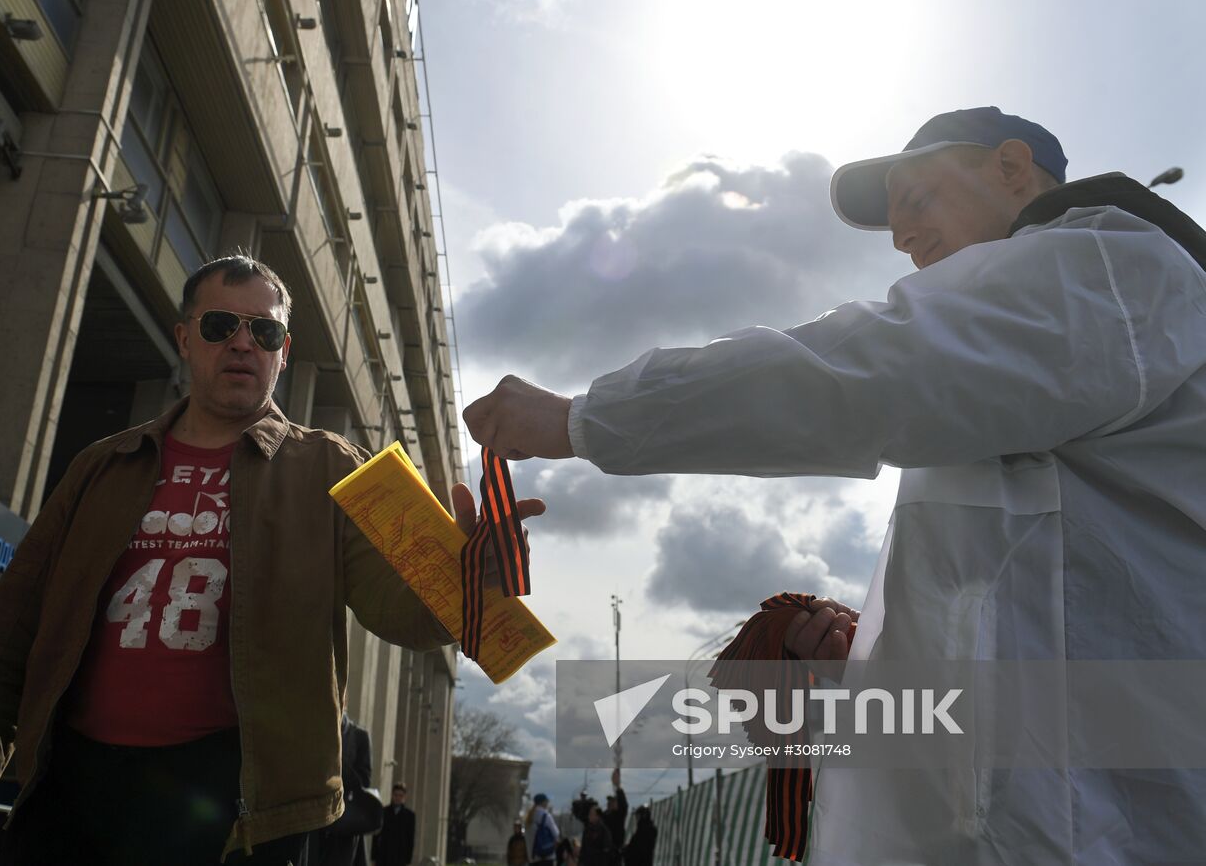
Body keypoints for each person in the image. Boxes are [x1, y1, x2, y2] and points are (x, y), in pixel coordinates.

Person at [464, 107, 1206, 864]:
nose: (902, 237)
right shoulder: (1026, 381)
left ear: (1012, 169)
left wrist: (581, 418)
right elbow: (1054, 604)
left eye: (916, 198)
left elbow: (863, 373)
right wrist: (871, 650)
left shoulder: (1112, 267)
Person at [0, 254, 542, 866]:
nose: (244, 343)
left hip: (238, 813)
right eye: (222, 324)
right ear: (184, 338)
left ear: (285, 353)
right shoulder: (101, 467)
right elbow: (4, 646)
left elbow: (394, 611)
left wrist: (469, 577)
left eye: (266, 331)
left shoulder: (332, 468)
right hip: (73, 793)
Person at [317, 714, 374, 866]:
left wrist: (339, 767)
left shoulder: (359, 736)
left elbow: (364, 782)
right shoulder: (320, 731)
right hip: (318, 822)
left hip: (345, 825)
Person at [371, 782, 415, 866]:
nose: (398, 798)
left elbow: (410, 839)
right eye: (396, 795)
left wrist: (408, 860)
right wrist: (373, 857)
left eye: (400, 795)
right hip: (383, 856)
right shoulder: (384, 812)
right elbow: (376, 836)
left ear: (404, 797)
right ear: (392, 795)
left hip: (400, 858)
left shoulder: (410, 816)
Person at [600, 770, 626, 861]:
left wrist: (618, 787)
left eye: (613, 802)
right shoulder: (604, 816)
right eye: (609, 802)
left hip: (615, 854)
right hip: (604, 855)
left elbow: (623, 806)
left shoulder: (618, 816)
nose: (610, 804)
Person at [528, 793, 559, 866]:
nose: (548, 803)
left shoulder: (529, 816)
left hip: (533, 857)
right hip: (546, 856)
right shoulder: (546, 816)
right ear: (543, 802)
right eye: (547, 801)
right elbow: (556, 833)